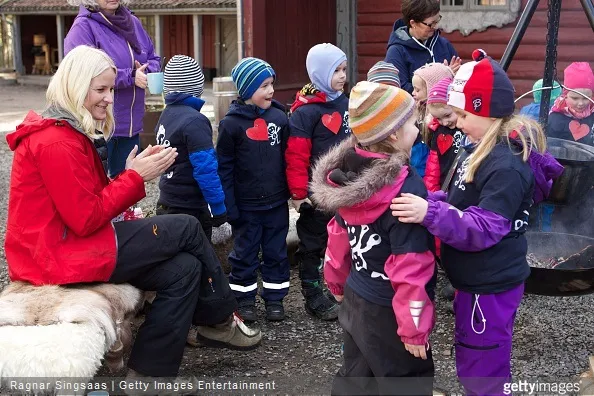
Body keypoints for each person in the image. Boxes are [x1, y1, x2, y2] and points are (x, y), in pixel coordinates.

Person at [4, 46, 261, 379]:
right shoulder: (56, 141)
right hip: (57, 256)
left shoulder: (66, 132)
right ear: (75, 85)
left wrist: (126, 173)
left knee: (183, 269)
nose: (109, 98)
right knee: (184, 227)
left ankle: (149, 375)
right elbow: (84, 218)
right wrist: (135, 176)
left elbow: (84, 202)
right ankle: (222, 317)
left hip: (62, 248)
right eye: (101, 89)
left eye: (111, 89)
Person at [390, 50, 563, 395]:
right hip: (476, 282)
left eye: (462, 113)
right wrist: (431, 202)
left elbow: (484, 227)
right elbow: (461, 204)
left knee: (484, 369)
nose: (453, 120)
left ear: (487, 112)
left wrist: (430, 214)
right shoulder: (476, 147)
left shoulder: (506, 167)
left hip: (491, 285)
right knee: (475, 357)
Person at [310, 81, 436, 395]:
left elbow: (337, 237)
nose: (418, 129)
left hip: (355, 295)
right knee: (407, 381)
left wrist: (336, 283)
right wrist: (415, 329)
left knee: (357, 375)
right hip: (391, 307)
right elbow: (411, 265)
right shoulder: (405, 189)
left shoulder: (348, 176)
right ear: (393, 134)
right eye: (411, 122)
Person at [216, 57, 290, 322]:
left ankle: (275, 298)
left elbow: (287, 158)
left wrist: (291, 192)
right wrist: (229, 206)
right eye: (264, 86)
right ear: (247, 90)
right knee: (244, 254)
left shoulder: (279, 118)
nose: (271, 91)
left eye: (271, 84)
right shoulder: (231, 125)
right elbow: (224, 168)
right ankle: (244, 299)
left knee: (276, 252)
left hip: (276, 203)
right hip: (246, 206)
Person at [286, 43, 352, 321]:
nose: (342, 76)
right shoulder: (305, 112)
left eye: (344, 69)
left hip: (347, 189)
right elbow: (296, 156)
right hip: (318, 194)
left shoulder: (346, 102)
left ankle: (343, 288)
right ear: (319, 72)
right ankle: (313, 295)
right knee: (314, 243)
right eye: (335, 70)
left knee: (346, 240)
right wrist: (300, 194)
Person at [64, 0, 161, 177]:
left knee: (128, 181)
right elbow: (81, 74)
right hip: (98, 124)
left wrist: (148, 72)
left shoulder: (133, 22)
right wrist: (130, 77)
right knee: (96, 183)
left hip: (131, 123)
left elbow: (153, 57)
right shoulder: (82, 28)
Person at [154, 55, 227, 242]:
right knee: (199, 256)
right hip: (190, 206)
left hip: (167, 199)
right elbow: (206, 169)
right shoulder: (195, 121)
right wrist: (218, 207)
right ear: (198, 88)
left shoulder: (165, 115)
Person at [385, 0, 460, 94]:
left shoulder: (444, 44)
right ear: (413, 23)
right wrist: (442, 78)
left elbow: (460, 80)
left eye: (437, 20)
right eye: (430, 24)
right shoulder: (397, 51)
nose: (435, 27)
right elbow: (401, 89)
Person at [410, 62, 454, 177]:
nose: (413, 93)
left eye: (417, 90)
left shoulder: (437, 117)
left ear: (431, 88)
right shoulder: (417, 110)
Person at [423, 77, 464, 193]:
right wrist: (432, 193)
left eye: (447, 115)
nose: (445, 122)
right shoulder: (438, 131)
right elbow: (433, 167)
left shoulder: (468, 128)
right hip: (444, 188)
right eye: (438, 118)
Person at [547, 62, 594, 146]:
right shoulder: (555, 118)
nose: (580, 103)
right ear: (565, 95)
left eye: (586, 98)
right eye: (575, 98)